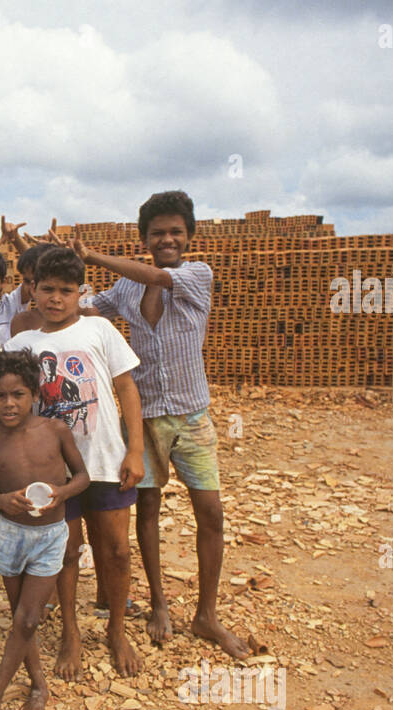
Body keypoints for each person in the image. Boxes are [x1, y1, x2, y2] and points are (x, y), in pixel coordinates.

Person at [78, 189, 249, 660]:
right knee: (148, 513)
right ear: (145, 238)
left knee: (210, 512)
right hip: (146, 416)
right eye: (158, 233)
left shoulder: (196, 275)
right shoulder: (127, 288)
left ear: (189, 236)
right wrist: (54, 279)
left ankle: (207, 615)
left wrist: (91, 254)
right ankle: (158, 604)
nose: (168, 239)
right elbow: (91, 308)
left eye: (176, 231)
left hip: (192, 415)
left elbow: (155, 276)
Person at [4, 246, 145, 679]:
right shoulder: (21, 344)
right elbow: (2, 401)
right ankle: (70, 632)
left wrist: (135, 449)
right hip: (53, 472)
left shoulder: (100, 330)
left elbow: (126, 390)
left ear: (81, 292)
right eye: (47, 289)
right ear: (33, 290)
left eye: (67, 291)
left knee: (118, 550)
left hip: (104, 461)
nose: (56, 299)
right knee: (65, 552)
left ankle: (117, 630)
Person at [0, 350, 89, 710]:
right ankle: (38, 683)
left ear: (35, 394)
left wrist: (61, 493)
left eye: (18, 394)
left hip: (49, 535)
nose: (9, 404)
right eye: (0, 396)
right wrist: (3, 501)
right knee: (20, 620)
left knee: (28, 618)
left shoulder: (55, 431)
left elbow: (83, 478)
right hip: (10, 534)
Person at [8, 243, 51, 338]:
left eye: (38, 281)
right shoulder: (22, 323)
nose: (32, 288)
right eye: (27, 281)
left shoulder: (84, 316)